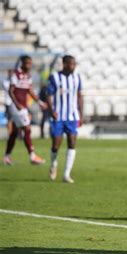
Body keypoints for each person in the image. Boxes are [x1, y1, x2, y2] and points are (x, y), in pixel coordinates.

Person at [3, 55, 47, 166]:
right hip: (16, 107)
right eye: (27, 63)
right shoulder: (16, 74)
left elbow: (30, 91)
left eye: (30, 63)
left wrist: (40, 103)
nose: (29, 65)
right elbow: (11, 91)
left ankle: (7, 156)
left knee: (14, 133)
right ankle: (32, 156)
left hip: (23, 107)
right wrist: (17, 104)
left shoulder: (28, 76)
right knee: (27, 129)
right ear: (22, 63)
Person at [46, 55, 83, 184]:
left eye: (74, 64)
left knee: (72, 143)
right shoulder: (55, 77)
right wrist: (51, 111)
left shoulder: (77, 78)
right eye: (71, 64)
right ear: (64, 64)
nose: (73, 66)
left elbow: (79, 96)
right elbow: (49, 96)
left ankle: (66, 174)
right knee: (56, 144)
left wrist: (81, 114)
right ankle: (54, 163)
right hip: (58, 116)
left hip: (72, 116)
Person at [2, 69, 13, 135]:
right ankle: (10, 134)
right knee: (9, 119)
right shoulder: (5, 82)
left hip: (15, 103)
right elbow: (10, 89)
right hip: (8, 103)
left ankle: (18, 134)